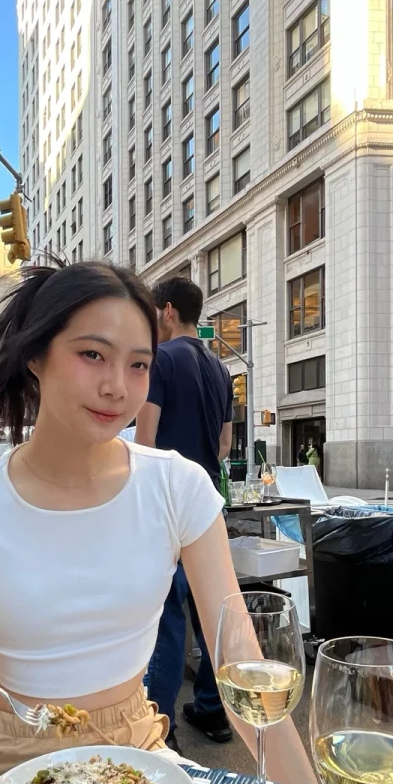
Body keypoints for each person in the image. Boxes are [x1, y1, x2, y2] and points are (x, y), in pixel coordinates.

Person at [0, 261, 319, 784]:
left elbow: (237, 656)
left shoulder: (177, 487)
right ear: (35, 356)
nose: (116, 387)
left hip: (134, 754)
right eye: (92, 355)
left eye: (139, 365)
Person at [134, 276, 234, 745]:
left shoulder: (163, 360)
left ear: (167, 310)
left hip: (168, 504)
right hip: (207, 501)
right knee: (210, 613)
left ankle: (163, 725)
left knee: (168, 618)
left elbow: (145, 440)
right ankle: (214, 712)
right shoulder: (221, 368)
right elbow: (225, 442)